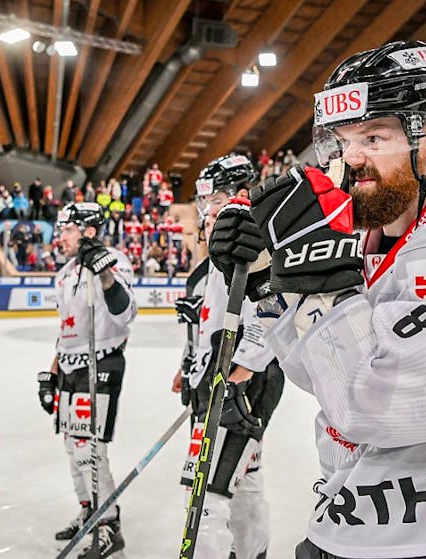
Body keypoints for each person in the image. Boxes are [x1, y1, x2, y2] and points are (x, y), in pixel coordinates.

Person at [209, 41, 426, 558]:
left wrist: (328, 286)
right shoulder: (368, 239)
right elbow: (318, 372)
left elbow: (401, 406)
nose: (351, 158)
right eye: (340, 141)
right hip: (350, 520)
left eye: (374, 136)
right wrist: (268, 280)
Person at [177, 155, 284, 559]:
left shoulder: (257, 242)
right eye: (204, 200)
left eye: (216, 198)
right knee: (245, 481)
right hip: (217, 376)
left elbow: (272, 311)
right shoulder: (212, 258)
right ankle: (252, 552)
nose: (207, 209)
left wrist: (242, 371)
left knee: (204, 495)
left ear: (241, 195)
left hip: (242, 380)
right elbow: (208, 325)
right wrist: (187, 366)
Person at [37, 202, 136, 557]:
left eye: (67, 230)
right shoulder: (63, 274)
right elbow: (68, 333)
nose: (59, 237)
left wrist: (105, 275)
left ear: (89, 232)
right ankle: (88, 509)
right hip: (71, 368)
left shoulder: (114, 261)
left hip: (102, 364)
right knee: (71, 445)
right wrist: (50, 372)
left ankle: (108, 523)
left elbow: (126, 314)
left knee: (89, 449)